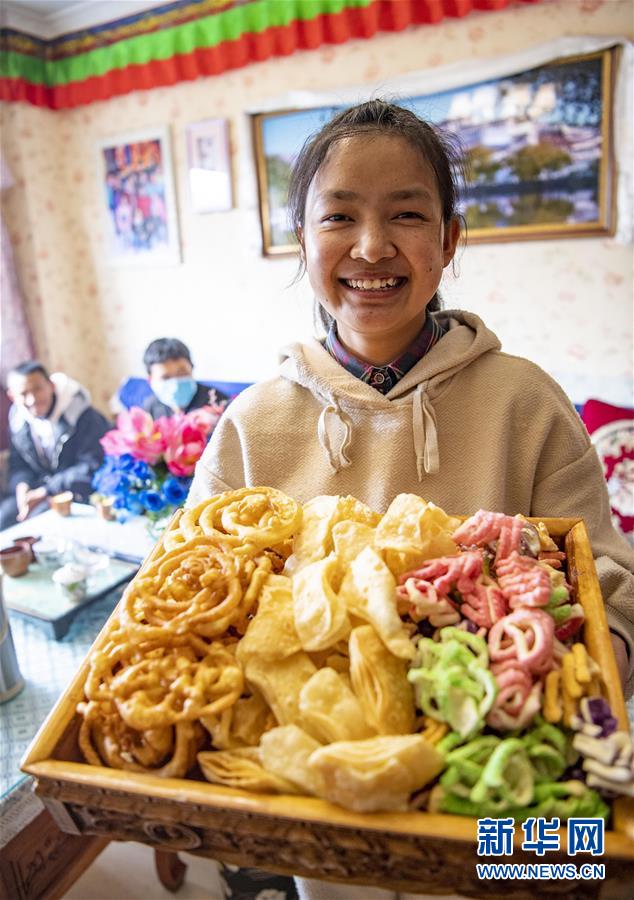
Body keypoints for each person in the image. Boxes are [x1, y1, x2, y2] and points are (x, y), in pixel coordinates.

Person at [187, 99, 634, 897]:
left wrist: (572, 688)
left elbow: (611, 586)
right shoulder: (251, 425)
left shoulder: (525, 401)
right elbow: (190, 599)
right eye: (339, 216)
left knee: (565, 869)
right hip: (323, 803)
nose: (371, 246)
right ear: (304, 240)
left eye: (406, 214)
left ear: (448, 240)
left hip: (506, 772)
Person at [1, 361, 111, 528]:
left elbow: (92, 464)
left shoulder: (82, 415)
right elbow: (19, 464)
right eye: (23, 394)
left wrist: (47, 491)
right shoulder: (18, 421)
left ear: (51, 385)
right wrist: (22, 486)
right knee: (5, 518)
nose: (32, 400)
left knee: (39, 523)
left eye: (38, 389)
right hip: (39, 488)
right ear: (12, 396)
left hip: (77, 492)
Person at [142, 337, 228, 418]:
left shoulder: (217, 402)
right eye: (166, 377)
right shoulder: (148, 411)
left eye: (182, 374)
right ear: (150, 380)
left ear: (192, 368)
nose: (175, 383)